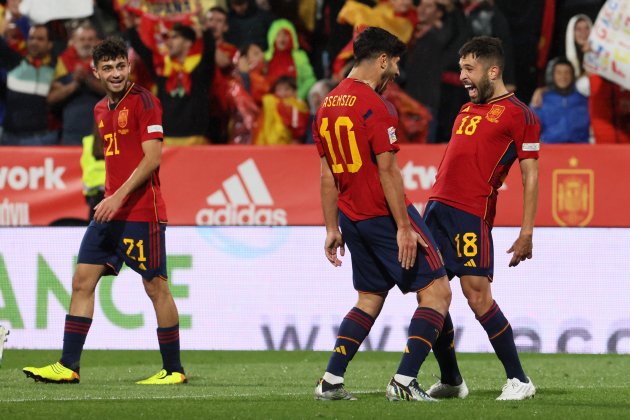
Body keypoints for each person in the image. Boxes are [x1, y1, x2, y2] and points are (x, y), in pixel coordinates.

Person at [23, 37, 186, 385]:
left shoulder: (145, 101)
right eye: (108, 68)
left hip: (142, 210)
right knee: (82, 280)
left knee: (156, 287)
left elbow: (153, 158)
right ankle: (68, 365)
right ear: (95, 72)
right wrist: (109, 198)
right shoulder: (99, 110)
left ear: (129, 67)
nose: (115, 73)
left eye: (120, 66)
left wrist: (117, 196)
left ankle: (174, 370)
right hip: (109, 212)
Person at [312, 26, 452, 402]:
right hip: (383, 215)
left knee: (369, 298)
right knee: (437, 292)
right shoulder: (375, 106)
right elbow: (388, 170)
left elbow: (327, 174)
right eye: (395, 64)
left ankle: (330, 380)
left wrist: (330, 227)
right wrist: (404, 228)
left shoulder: (326, 104)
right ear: (382, 60)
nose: (396, 73)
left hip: (350, 216)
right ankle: (404, 381)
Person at [423, 36, 538, 401]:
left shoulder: (520, 115)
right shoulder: (465, 110)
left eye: (469, 69)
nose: (462, 77)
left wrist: (526, 231)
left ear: (493, 70)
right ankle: (452, 380)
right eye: (460, 69)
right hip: (436, 210)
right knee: (431, 296)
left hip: (471, 215)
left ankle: (519, 379)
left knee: (478, 298)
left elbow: (530, 175)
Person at [48, 21, 105, 145]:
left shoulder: (107, 64)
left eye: (90, 39)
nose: (86, 43)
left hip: (101, 134)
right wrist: (75, 84)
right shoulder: (62, 63)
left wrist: (88, 80)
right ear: (73, 41)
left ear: (97, 42)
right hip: (71, 134)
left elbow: (117, 92)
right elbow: (51, 98)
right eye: (82, 39)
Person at [0, 24, 57, 146]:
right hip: (9, 137)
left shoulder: (56, 70)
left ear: (50, 44)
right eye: (31, 38)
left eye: (40, 39)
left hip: (41, 138)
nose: (34, 42)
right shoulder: (14, 62)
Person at [532, 57, 590, 143]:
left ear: (573, 75)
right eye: (558, 73)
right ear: (552, 76)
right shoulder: (541, 99)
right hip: (551, 150)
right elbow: (531, 130)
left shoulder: (584, 100)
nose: (563, 76)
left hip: (580, 150)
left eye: (567, 72)